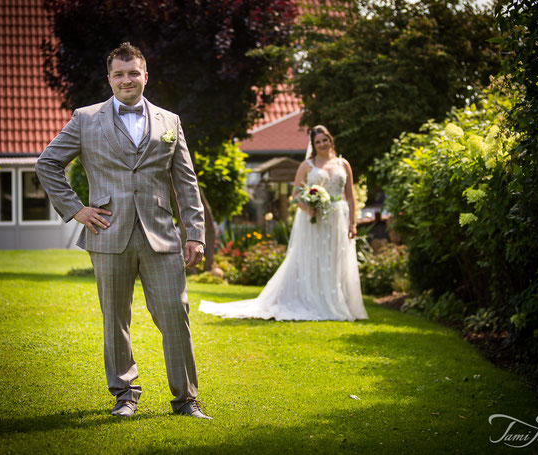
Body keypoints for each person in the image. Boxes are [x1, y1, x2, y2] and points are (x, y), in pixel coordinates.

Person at [35, 42, 211, 419]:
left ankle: (186, 399)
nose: (127, 79)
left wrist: (195, 232)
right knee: (115, 319)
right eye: (119, 74)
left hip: (161, 236)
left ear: (145, 76)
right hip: (108, 234)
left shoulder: (170, 121)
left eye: (133, 73)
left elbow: (186, 182)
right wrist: (77, 209)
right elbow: (48, 163)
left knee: (174, 315)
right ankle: (125, 395)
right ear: (109, 79)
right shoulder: (85, 118)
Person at [198, 125, 368, 321]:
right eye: (318, 141)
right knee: (314, 258)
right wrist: (309, 207)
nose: (322, 144)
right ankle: (314, 300)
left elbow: (350, 196)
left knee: (336, 259)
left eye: (325, 140)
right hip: (315, 219)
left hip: (338, 218)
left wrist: (353, 223)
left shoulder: (343, 164)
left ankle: (338, 301)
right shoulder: (307, 166)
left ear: (331, 140)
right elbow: (295, 195)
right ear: (313, 144)